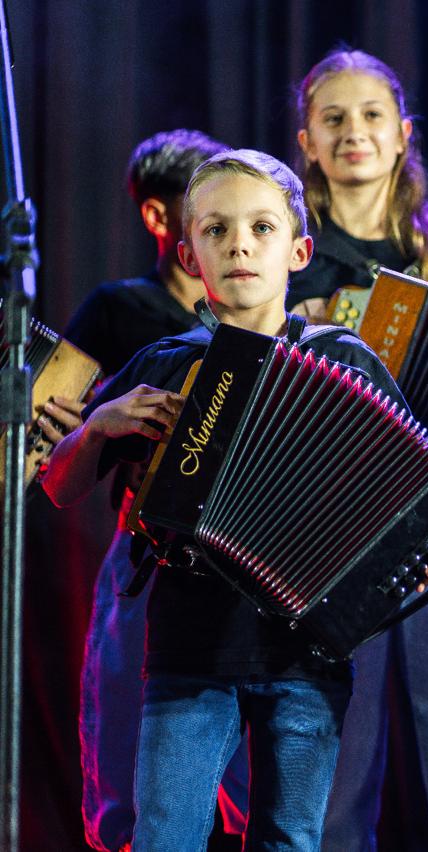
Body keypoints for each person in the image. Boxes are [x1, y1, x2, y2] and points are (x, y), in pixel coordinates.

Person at [42, 149, 428, 848]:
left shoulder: (346, 359)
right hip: (188, 646)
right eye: (216, 231)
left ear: (299, 249)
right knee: (164, 836)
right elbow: (61, 487)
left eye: (261, 228)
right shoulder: (164, 364)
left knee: (290, 837)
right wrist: (96, 425)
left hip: (306, 651)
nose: (239, 243)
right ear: (189, 254)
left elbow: (423, 491)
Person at [288, 48, 428, 852]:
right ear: (307, 142)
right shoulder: (286, 258)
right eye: (334, 119)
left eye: (371, 116)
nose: (355, 132)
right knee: (333, 770)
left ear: (402, 135)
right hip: (328, 531)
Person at [59, 129, 254, 852]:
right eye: (206, 213)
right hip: (147, 547)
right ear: (163, 222)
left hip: (245, 558)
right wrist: (94, 421)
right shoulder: (124, 310)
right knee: (127, 726)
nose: (233, 235)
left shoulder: (256, 308)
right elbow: (62, 414)